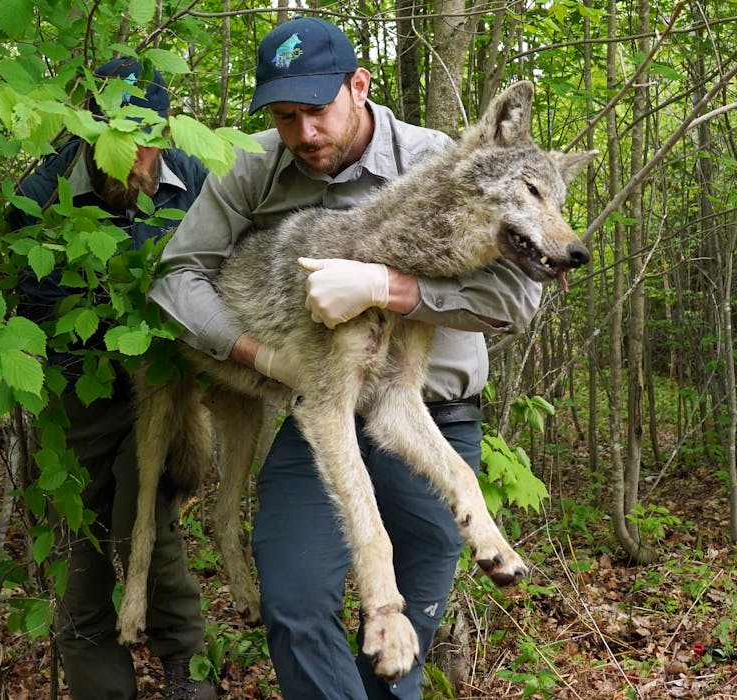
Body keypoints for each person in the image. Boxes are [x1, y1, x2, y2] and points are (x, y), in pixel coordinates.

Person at [149, 16, 542, 699]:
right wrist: (260, 357)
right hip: (321, 411)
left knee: (398, 645)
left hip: (431, 414)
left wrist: (390, 290)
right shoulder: (257, 167)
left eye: (315, 110)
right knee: (297, 602)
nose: (301, 134)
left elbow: (516, 298)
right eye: (282, 116)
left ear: (359, 86)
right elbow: (178, 277)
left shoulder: (436, 161)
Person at [6, 58, 214, 700]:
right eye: (109, 137)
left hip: (168, 383)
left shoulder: (197, 183)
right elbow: (30, 296)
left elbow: (222, 271)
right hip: (76, 390)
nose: (129, 155)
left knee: (145, 529)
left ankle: (189, 677)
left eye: (144, 136)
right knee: (79, 556)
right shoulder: (45, 194)